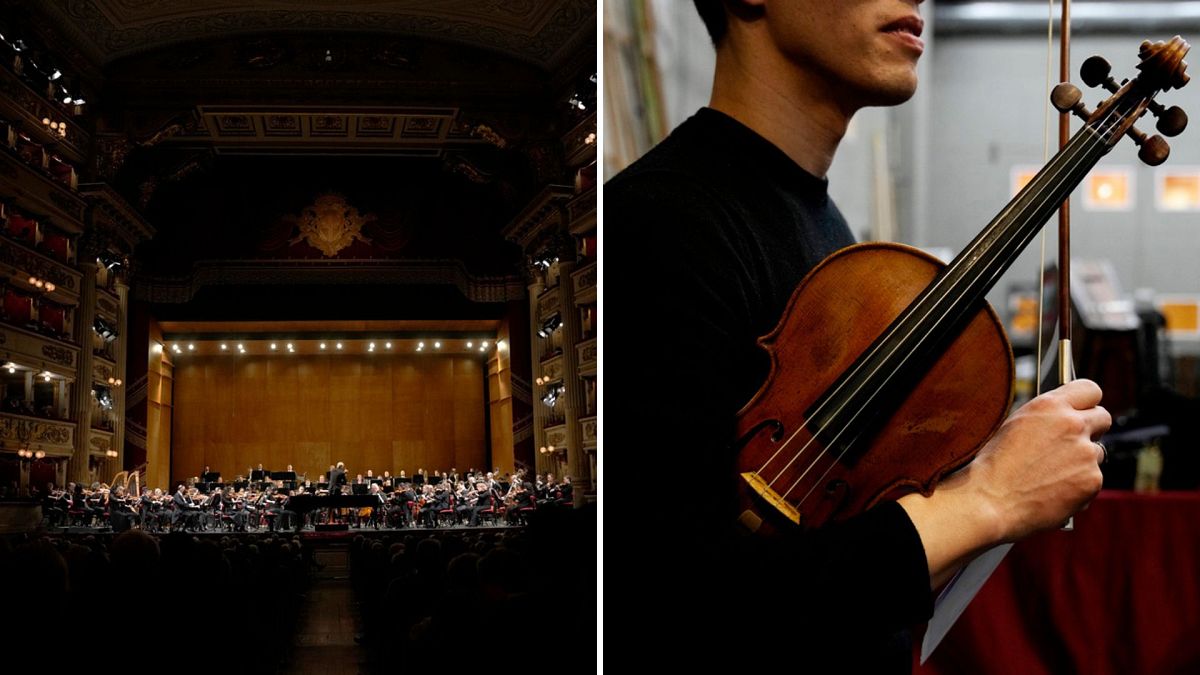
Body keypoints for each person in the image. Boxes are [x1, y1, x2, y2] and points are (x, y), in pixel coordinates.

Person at [605, 0, 1110, 671]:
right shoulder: (654, 226)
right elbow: (680, 605)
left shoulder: (825, 228)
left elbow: (836, 563)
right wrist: (986, 497)